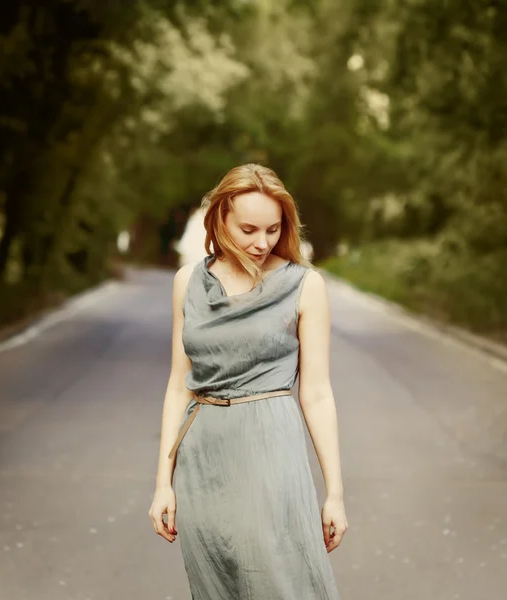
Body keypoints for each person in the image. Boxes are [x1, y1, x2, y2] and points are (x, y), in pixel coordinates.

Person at [149, 164, 347, 599]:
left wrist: (334, 492)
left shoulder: (304, 285)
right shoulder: (188, 282)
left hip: (270, 448)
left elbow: (316, 393)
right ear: (220, 219)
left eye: (273, 229)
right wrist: (163, 482)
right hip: (203, 456)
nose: (262, 243)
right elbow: (179, 384)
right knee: (216, 583)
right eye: (249, 229)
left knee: (279, 582)